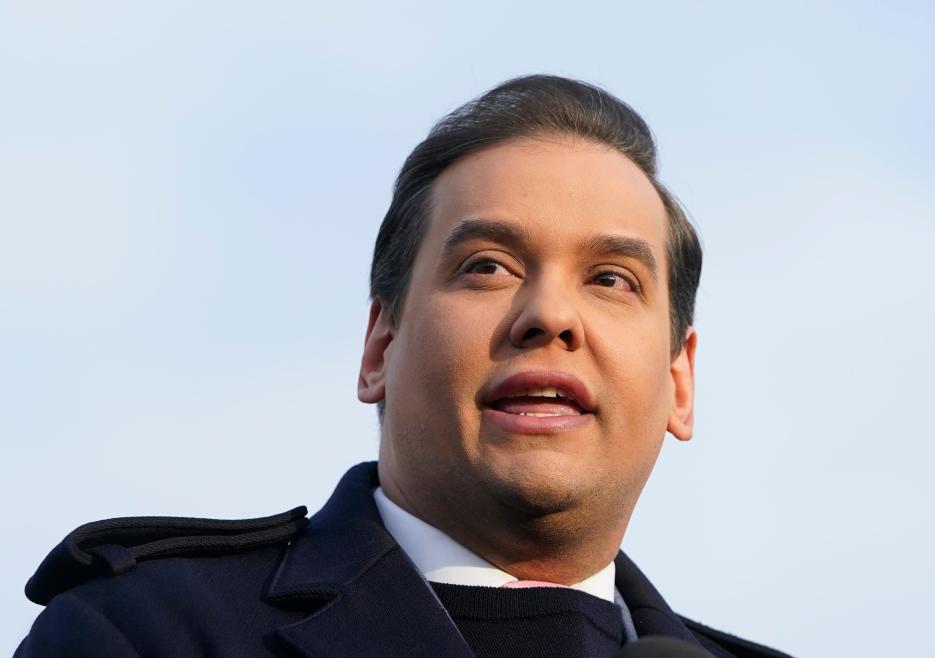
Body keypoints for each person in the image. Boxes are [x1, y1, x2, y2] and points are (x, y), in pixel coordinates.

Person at [15, 75, 791, 657]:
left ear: (679, 383)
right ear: (379, 346)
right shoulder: (146, 632)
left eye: (610, 280)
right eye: (488, 267)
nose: (550, 316)